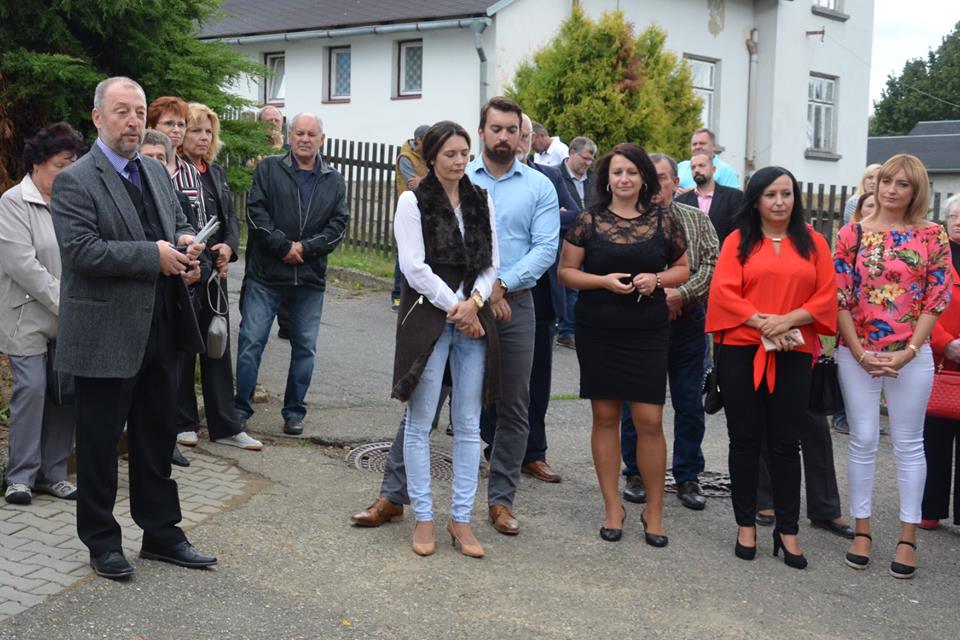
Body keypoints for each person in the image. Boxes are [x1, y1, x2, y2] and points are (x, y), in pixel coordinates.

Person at [351, 97, 559, 536]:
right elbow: (417, 263)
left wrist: (498, 288)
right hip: (454, 305)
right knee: (425, 402)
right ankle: (394, 495)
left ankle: (500, 502)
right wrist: (470, 304)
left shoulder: (539, 186)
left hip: (512, 300)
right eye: (496, 128)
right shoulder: (455, 177)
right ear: (482, 131)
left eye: (512, 130)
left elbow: (544, 248)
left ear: (521, 135)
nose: (504, 136)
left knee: (511, 404)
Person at [50, 76, 216, 580]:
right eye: (122, 111)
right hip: (105, 333)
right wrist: (153, 256)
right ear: (97, 117)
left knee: (156, 438)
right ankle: (102, 542)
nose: (133, 121)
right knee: (100, 445)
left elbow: (177, 223)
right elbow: (82, 251)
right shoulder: (77, 179)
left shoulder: (156, 171)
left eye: (139, 112)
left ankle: (161, 534)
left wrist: (186, 246)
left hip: (161, 327)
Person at [705, 166, 837, 570]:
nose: (780, 202)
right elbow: (724, 292)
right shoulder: (737, 241)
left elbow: (826, 295)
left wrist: (786, 321)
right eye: (771, 195)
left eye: (787, 193)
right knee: (744, 439)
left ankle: (788, 530)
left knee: (785, 442)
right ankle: (746, 524)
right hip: (742, 349)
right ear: (756, 200)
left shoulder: (814, 242)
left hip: (793, 350)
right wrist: (764, 324)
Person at [559, 143, 689, 546]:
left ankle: (654, 511)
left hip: (647, 329)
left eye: (632, 172)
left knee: (649, 419)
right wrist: (602, 281)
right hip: (599, 328)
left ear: (644, 178)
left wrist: (658, 279)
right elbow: (566, 272)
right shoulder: (588, 220)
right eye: (617, 172)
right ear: (607, 178)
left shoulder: (664, 220)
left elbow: (683, 268)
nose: (624, 179)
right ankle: (613, 507)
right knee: (605, 416)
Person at [835, 154, 951, 579]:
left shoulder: (932, 235)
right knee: (863, 439)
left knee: (909, 443)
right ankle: (862, 529)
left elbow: (936, 298)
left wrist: (910, 350)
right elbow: (839, 297)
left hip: (911, 355)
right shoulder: (851, 233)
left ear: (916, 190)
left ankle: (907, 536)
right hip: (857, 352)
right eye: (886, 181)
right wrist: (859, 352)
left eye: (903, 184)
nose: (891, 190)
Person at [392, 120, 500, 558]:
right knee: (420, 422)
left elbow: (492, 263)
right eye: (450, 154)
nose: (459, 161)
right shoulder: (413, 200)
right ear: (432, 156)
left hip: (473, 316)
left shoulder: (481, 198)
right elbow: (413, 267)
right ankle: (423, 516)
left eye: (464, 154)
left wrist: (475, 302)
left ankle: (461, 518)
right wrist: (457, 307)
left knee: (469, 424)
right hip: (429, 317)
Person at [234, 113, 350, 436]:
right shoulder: (270, 169)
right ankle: (240, 408)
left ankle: (294, 411)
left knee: (305, 348)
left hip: (309, 279)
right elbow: (255, 213)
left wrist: (305, 249)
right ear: (290, 136)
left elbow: (338, 226)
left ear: (322, 139)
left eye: (312, 134)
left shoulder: (334, 180)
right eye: (299, 133)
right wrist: (283, 246)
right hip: (266, 275)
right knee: (251, 341)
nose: (305, 139)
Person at [619, 153, 718, 510]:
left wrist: (682, 294)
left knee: (689, 402)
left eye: (662, 178)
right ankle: (636, 472)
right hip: (641, 323)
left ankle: (688, 475)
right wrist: (660, 294)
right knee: (637, 402)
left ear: (676, 183)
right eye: (650, 177)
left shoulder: (697, 219)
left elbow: (712, 264)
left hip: (688, 324)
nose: (655, 185)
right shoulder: (627, 222)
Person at [0, 123, 86, 505]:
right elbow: (23, 266)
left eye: (72, 166)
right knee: (32, 390)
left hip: (70, 315)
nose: (67, 173)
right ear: (37, 163)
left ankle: (54, 473)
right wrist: (68, 304)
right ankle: (20, 476)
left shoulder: (74, 204)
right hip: (27, 316)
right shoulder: (13, 202)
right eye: (60, 165)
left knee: (64, 395)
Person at [176, 103, 263, 452]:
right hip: (187, 271)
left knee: (218, 346)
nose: (203, 137)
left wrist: (229, 247)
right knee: (185, 349)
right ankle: (183, 422)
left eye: (208, 132)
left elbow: (231, 218)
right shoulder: (173, 171)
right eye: (196, 130)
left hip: (216, 275)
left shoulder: (215, 172)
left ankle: (226, 426)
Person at [922, 194, 960, 530]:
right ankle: (929, 510)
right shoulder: (935, 253)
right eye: (954, 216)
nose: (959, 222)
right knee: (934, 439)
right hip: (938, 359)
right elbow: (922, 303)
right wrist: (946, 343)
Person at [556, 136, 596, 350]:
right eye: (585, 158)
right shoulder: (555, 175)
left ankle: (575, 328)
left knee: (583, 284)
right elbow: (554, 214)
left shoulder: (594, 180)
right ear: (572, 152)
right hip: (564, 238)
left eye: (591, 159)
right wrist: (569, 216)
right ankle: (566, 331)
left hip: (590, 238)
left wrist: (571, 214)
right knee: (569, 286)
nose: (588, 163)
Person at [390, 125, 431, 311]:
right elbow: (413, 184)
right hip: (409, 210)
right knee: (405, 253)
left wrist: (424, 180)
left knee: (423, 254)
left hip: (427, 209)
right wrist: (428, 180)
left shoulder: (427, 155)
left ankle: (418, 296)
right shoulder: (405, 158)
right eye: (428, 141)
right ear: (419, 140)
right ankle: (398, 296)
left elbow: (436, 178)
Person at [676, 152, 743, 242]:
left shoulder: (733, 197)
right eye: (693, 167)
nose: (696, 170)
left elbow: (739, 231)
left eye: (701, 165)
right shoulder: (681, 201)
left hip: (725, 249)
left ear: (713, 169)